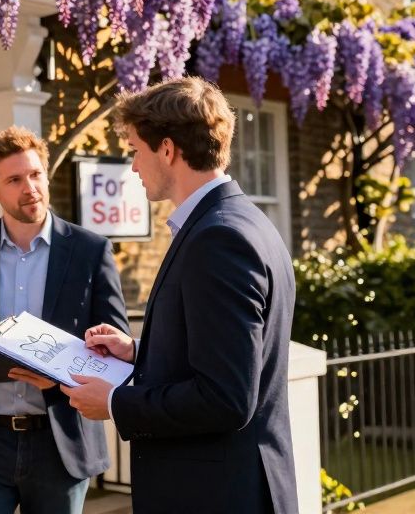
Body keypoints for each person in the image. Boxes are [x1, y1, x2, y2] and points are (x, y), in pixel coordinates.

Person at [61, 78, 298, 514]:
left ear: (167, 149)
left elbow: (225, 398)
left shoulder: (219, 238)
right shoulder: (240, 221)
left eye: (135, 149)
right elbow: (220, 353)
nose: (133, 166)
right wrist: (136, 352)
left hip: (216, 495)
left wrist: (114, 401)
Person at [0, 126, 130, 514]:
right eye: (15, 179)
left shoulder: (91, 251)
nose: (30, 187)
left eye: (35, 175)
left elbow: (114, 348)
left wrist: (60, 376)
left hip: (62, 442)